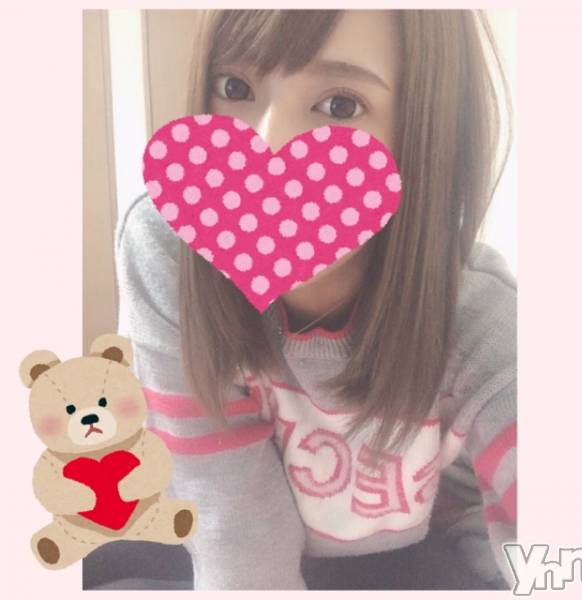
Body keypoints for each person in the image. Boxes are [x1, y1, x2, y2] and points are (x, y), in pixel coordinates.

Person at [113, 9, 516, 590]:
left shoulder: (485, 323)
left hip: (415, 549)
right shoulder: (168, 250)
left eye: (340, 105)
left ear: (424, 132)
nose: (265, 144)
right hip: (219, 535)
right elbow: (227, 508)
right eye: (236, 88)